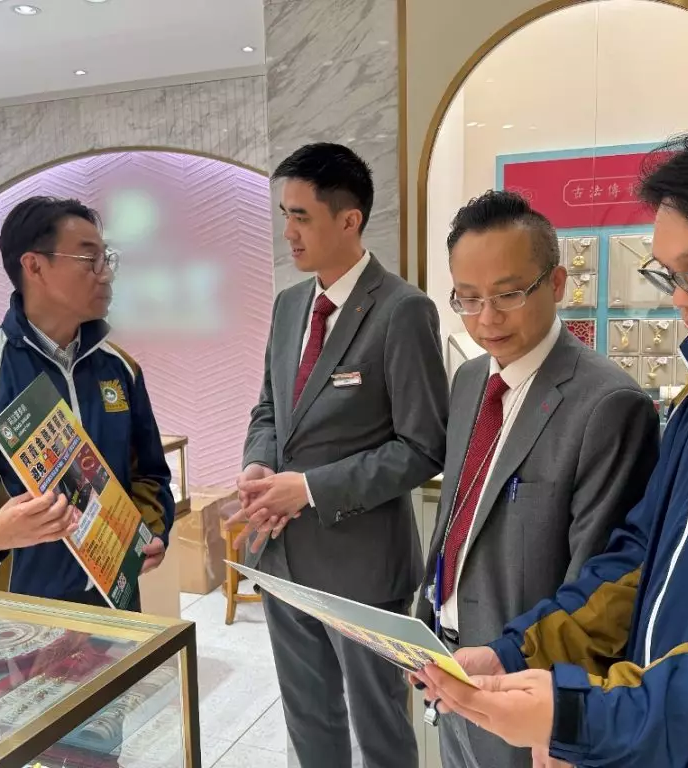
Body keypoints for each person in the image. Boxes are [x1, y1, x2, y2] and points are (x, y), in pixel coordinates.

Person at [415, 107, 688, 767]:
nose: (679, 299)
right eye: (668, 275)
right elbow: (634, 562)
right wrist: (517, 652)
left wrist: (596, 718)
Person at [413, 190, 660, 768]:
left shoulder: (607, 404)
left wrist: (566, 711)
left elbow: (599, 580)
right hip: (450, 659)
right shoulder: (470, 380)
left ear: (557, 283)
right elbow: (458, 514)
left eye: (508, 294)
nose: (487, 318)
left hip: (526, 685)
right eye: (468, 298)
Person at [228, 142, 448, 768]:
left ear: (349, 220)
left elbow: (423, 446)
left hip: (363, 568)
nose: (288, 232)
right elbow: (269, 408)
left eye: (301, 216)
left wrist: (309, 488)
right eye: (285, 214)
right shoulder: (289, 305)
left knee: (380, 731)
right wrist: (259, 465)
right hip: (282, 554)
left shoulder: (402, 310)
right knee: (309, 721)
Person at [0, 196, 173, 610]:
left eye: (107, 259)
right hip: (19, 617)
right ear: (34, 266)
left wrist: (149, 529)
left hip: (116, 606)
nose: (106, 274)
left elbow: (149, 474)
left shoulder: (120, 369)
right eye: (89, 260)